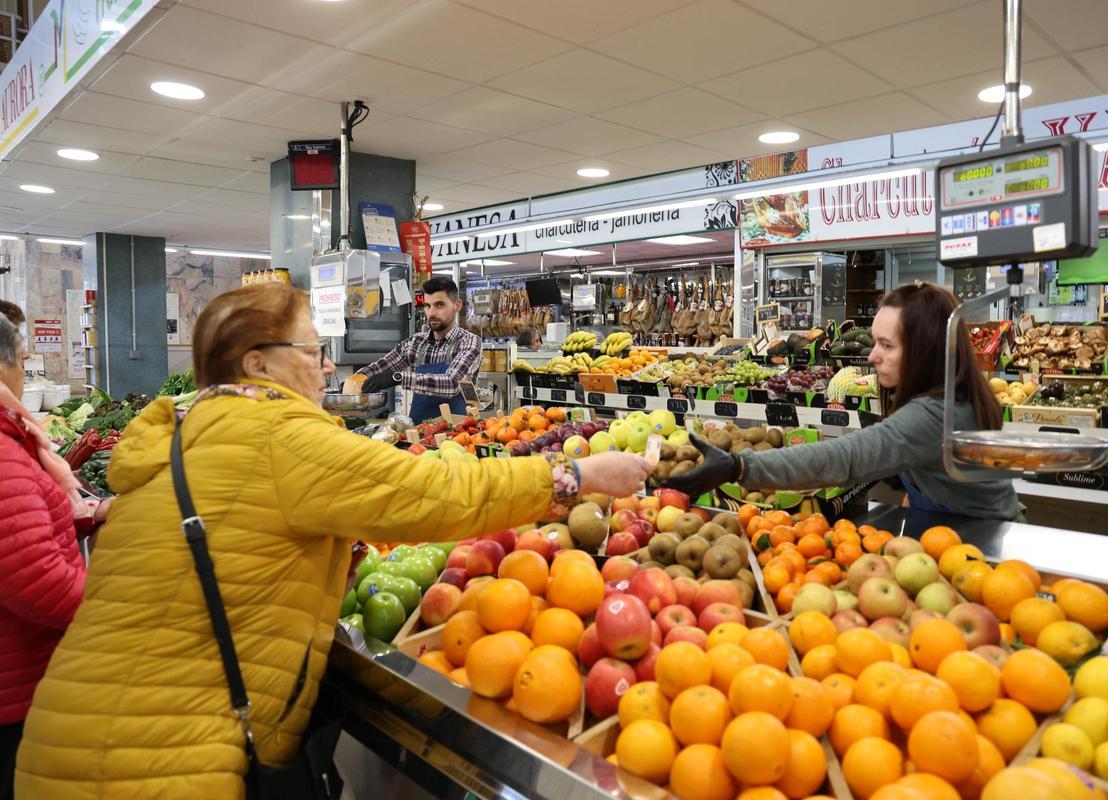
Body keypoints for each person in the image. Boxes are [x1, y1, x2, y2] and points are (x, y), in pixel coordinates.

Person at [15, 282, 652, 799]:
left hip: (82, 732)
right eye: (313, 350)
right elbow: (433, 493)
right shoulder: (278, 435)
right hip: (157, 757)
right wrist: (575, 474)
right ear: (257, 364)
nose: (326, 367)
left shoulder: (189, 434)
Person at [664, 283, 1019, 520]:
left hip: (979, 540)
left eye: (887, 345)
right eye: (874, 342)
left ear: (925, 351)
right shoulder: (955, 392)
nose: (872, 357)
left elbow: (843, 457)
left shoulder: (932, 415)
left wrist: (738, 468)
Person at [0, 316, 88, 800]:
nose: (26, 371)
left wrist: (87, 518)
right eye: (24, 360)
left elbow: (17, 533)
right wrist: (121, 605)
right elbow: (37, 582)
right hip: (14, 686)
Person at [351, 276, 482, 422]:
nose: (431, 313)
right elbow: (381, 367)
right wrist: (356, 379)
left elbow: (452, 384)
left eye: (439, 305)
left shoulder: (469, 342)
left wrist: (398, 378)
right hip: (418, 434)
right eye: (427, 305)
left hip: (458, 433)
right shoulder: (416, 342)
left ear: (457, 305)